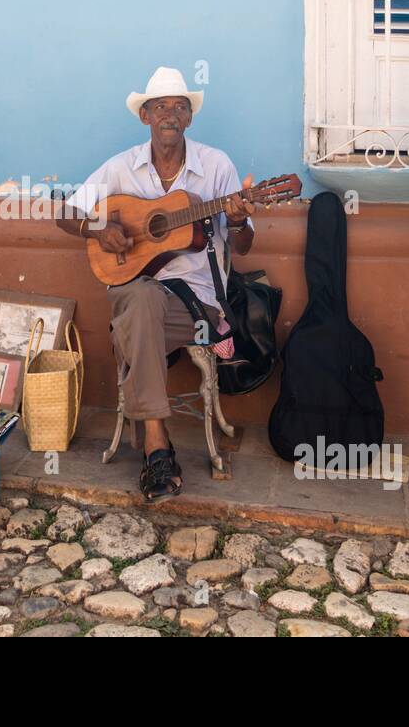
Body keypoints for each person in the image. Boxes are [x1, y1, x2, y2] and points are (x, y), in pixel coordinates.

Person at [58, 66, 257, 501]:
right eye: (160, 106)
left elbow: (241, 246)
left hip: (196, 307)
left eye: (180, 107)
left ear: (189, 118)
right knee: (143, 299)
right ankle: (156, 441)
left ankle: (154, 446)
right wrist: (97, 231)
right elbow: (65, 212)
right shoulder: (121, 167)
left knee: (142, 310)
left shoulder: (216, 166)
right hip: (135, 297)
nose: (170, 114)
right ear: (145, 116)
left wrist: (239, 219)